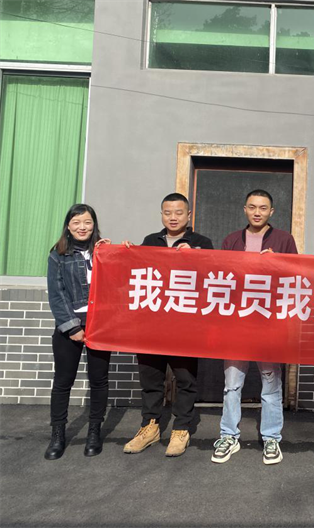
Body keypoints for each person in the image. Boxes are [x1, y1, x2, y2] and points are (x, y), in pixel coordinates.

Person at [122, 193, 213, 457]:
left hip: (185, 326)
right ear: (161, 214)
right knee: (151, 379)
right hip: (152, 325)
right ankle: (149, 427)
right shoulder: (150, 241)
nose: (173, 217)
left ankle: (181, 429)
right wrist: (126, 252)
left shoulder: (202, 243)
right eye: (167, 212)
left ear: (189, 215)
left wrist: (196, 257)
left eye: (178, 212)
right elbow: (136, 273)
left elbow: (214, 277)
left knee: (185, 380)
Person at [211, 189, 297, 465]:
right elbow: (222, 277)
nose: (257, 212)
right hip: (237, 324)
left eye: (263, 208)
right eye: (252, 207)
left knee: (271, 384)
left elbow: (295, 277)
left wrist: (277, 263)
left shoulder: (284, 239)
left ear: (272, 212)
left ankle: (271, 438)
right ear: (245, 209)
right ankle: (228, 435)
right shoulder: (231, 240)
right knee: (232, 384)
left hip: (269, 324)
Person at [45, 204, 112, 459]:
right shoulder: (58, 255)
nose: (82, 227)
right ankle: (57, 434)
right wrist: (72, 326)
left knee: (99, 380)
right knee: (63, 381)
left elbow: (118, 284)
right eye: (76, 223)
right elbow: (57, 294)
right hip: (69, 324)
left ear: (94, 225)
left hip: (99, 324)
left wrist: (118, 253)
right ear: (68, 226)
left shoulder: (104, 251)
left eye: (87, 222)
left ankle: (94, 431)